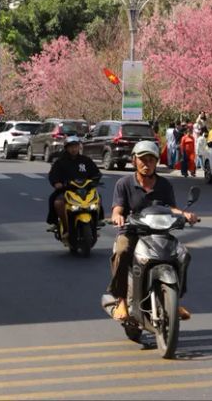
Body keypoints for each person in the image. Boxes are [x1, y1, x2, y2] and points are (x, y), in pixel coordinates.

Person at [108, 140, 197, 322]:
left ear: (156, 162)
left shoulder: (164, 184)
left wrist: (185, 214)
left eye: (151, 160)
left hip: (159, 234)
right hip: (131, 232)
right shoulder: (124, 183)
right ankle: (121, 301)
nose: (146, 164)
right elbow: (117, 208)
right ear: (134, 161)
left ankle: (174, 301)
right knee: (122, 250)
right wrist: (117, 216)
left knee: (182, 255)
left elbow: (171, 208)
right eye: (142, 159)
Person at [47, 135, 101, 228]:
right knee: (56, 201)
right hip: (66, 189)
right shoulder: (60, 162)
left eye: (75, 146)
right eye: (71, 146)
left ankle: (98, 220)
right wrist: (57, 183)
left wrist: (94, 181)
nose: (74, 149)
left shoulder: (86, 160)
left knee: (98, 198)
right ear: (66, 148)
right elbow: (53, 175)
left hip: (84, 189)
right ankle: (57, 222)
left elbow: (96, 173)